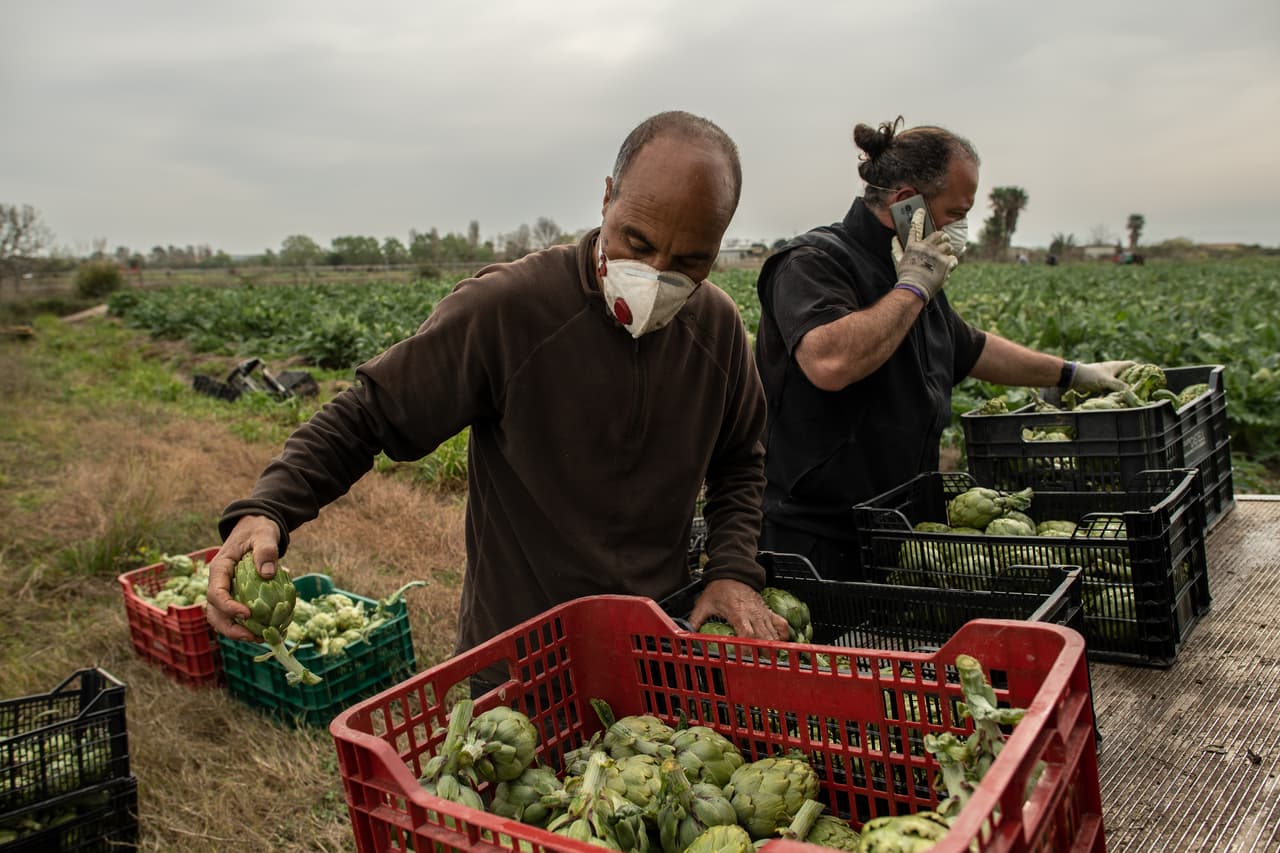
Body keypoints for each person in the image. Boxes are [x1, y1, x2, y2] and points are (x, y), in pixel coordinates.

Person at [205, 110, 790, 691]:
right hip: (521, 652)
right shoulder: (511, 308)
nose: (656, 274)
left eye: (690, 261)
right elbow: (370, 415)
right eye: (637, 243)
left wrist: (732, 569)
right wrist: (270, 509)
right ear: (607, 198)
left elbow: (741, 459)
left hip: (655, 641)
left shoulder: (716, 328)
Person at [753, 118, 1134, 579]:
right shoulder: (813, 262)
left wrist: (1073, 373)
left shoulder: (909, 265)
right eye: (955, 212)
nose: (961, 228)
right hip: (818, 539)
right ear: (906, 202)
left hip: (902, 524)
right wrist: (912, 287)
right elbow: (830, 361)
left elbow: (971, 348)